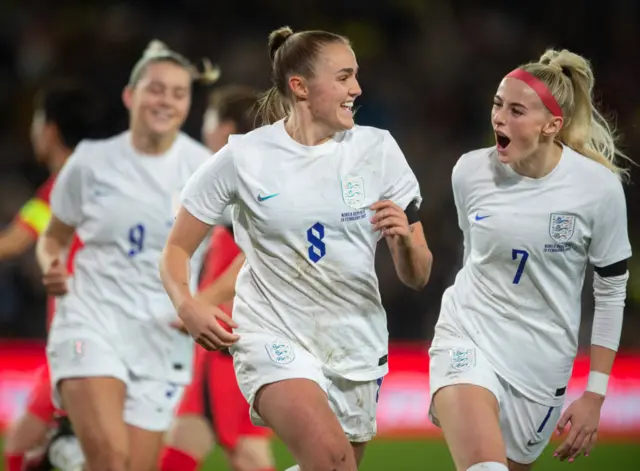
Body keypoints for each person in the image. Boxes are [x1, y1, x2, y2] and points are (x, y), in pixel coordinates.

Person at [160, 26, 433, 471]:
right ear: (300, 86)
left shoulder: (378, 150)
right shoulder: (243, 157)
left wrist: (404, 241)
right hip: (272, 336)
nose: (357, 89)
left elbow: (418, 275)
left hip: (354, 342)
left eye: (356, 76)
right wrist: (186, 305)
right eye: (344, 77)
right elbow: (175, 250)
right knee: (332, 460)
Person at [428, 49, 632, 471]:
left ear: (551, 126)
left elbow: (611, 291)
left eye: (516, 110)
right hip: (468, 334)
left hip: (541, 364)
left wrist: (595, 393)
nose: (499, 118)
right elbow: (476, 256)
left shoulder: (598, 189)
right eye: (497, 104)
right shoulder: (469, 172)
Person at [36, 40, 219, 471]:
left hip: (162, 335)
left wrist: (202, 302)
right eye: (155, 89)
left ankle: (65, 458)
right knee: (112, 461)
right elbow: (53, 236)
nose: (166, 101)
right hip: (91, 320)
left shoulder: (207, 169)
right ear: (130, 95)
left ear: (188, 103)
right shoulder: (90, 162)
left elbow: (253, 249)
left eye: (178, 93)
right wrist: (51, 265)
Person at [159, 85, 276, 471]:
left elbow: (249, 257)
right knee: (215, 444)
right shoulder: (260, 173)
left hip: (226, 332)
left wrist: (198, 303)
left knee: (234, 449)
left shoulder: (234, 175)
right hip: (240, 330)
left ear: (225, 126)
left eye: (209, 118)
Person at [1, 80, 105, 471]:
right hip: (86, 335)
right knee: (37, 445)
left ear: (50, 129)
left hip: (85, 337)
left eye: (35, 122)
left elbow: (13, 243)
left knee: (30, 443)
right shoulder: (98, 178)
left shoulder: (63, 185)